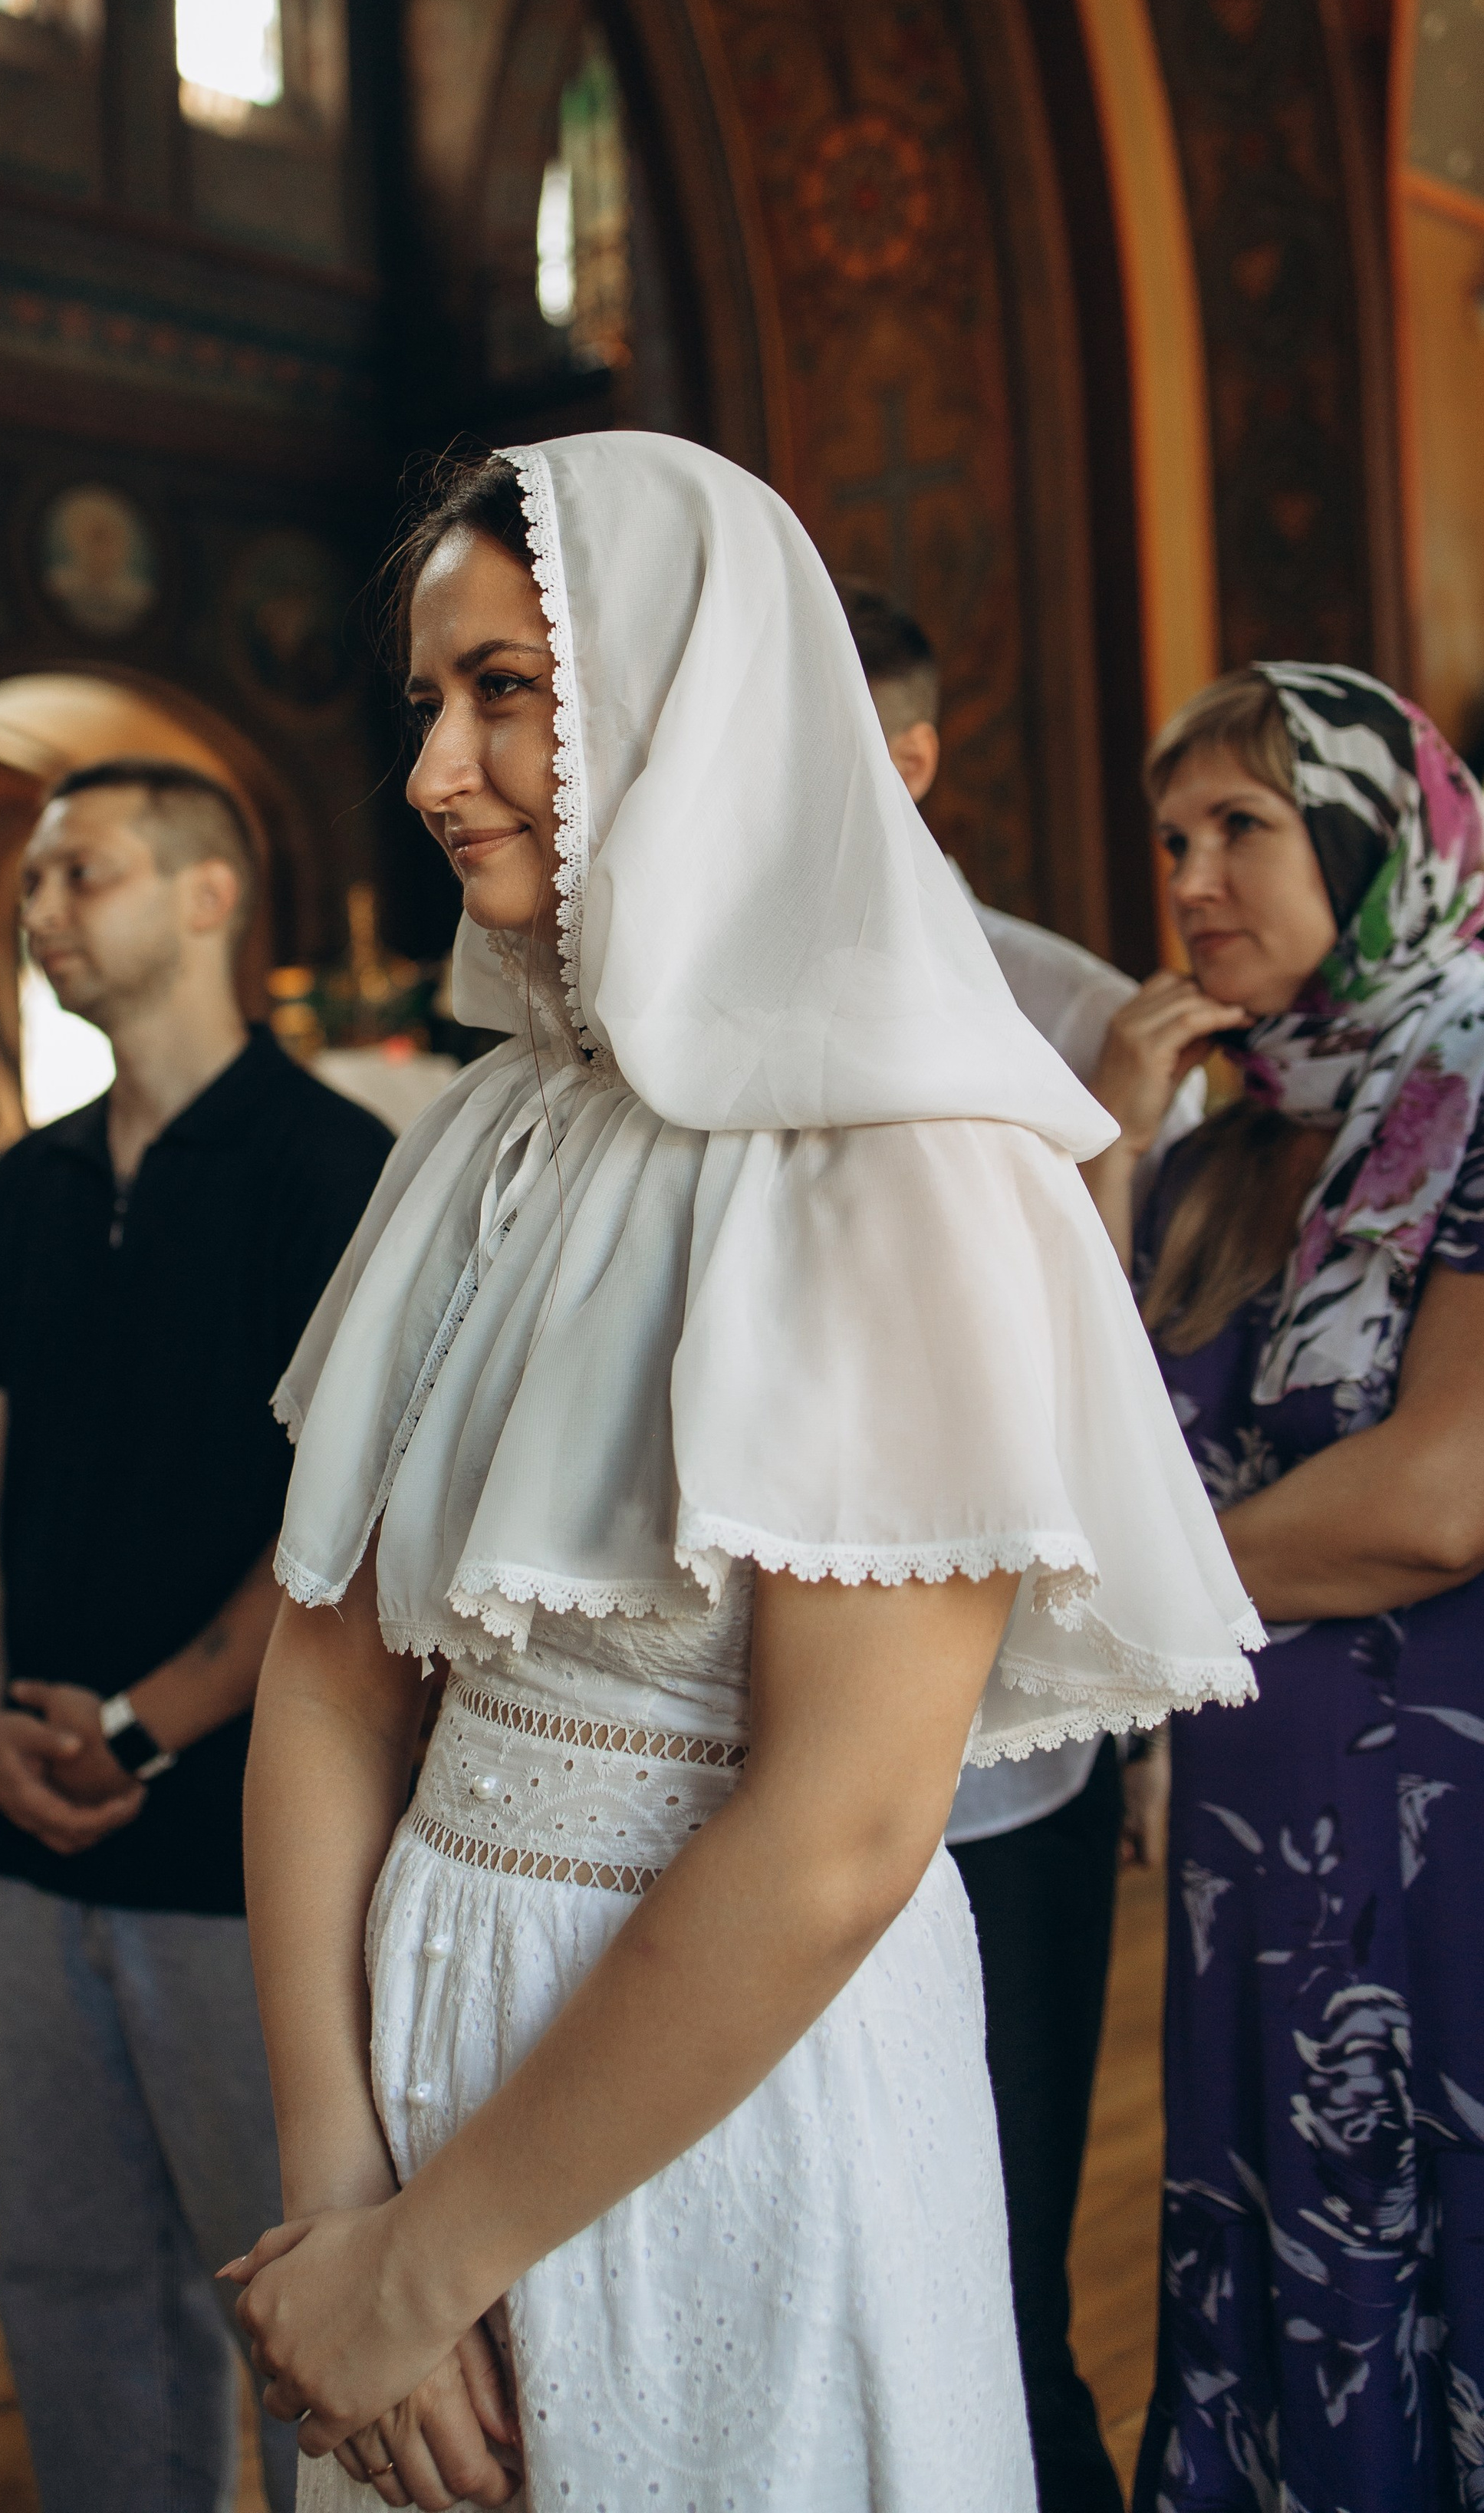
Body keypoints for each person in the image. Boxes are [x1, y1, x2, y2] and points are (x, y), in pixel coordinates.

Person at [225, 432, 1262, 2513]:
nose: (436, 770)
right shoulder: (488, 1141)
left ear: (690, 690)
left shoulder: (902, 1156)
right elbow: (329, 1675)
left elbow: (842, 1826)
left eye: (506, 692)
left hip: (732, 2099)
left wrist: (431, 2261)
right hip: (416, 2043)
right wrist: (341, 2191)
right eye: (426, 703)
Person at [0, 759, 391, 2513]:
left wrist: (140, 1728)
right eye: (31, 882)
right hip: (25, 1812)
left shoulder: (329, 1163)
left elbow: (335, 1524)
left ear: (208, 895)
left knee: (278, 2286)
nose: (38, 909)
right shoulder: (25, 1184)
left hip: (236, 1821)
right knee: (64, 2281)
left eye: (79, 874)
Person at [1073, 665, 1484, 2513]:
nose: (1191, 878)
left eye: (1240, 826)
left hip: (1447, 1840)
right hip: (1256, 1865)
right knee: (1285, 2282)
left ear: (1372, 837)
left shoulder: (1479, 1082)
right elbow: (1054, 1443)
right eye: (1171, 841)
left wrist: (1139, 1587)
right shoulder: (1217, 1154)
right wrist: (1105, 1145)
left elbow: (1435, 1497)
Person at [848, 581, 1180, 2513]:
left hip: (1005, 1751)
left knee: (1005, 2266)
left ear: (906, 757)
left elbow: (1129, 1399)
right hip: (740, 1748)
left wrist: (1112, 1142)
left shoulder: (1061, 1007)